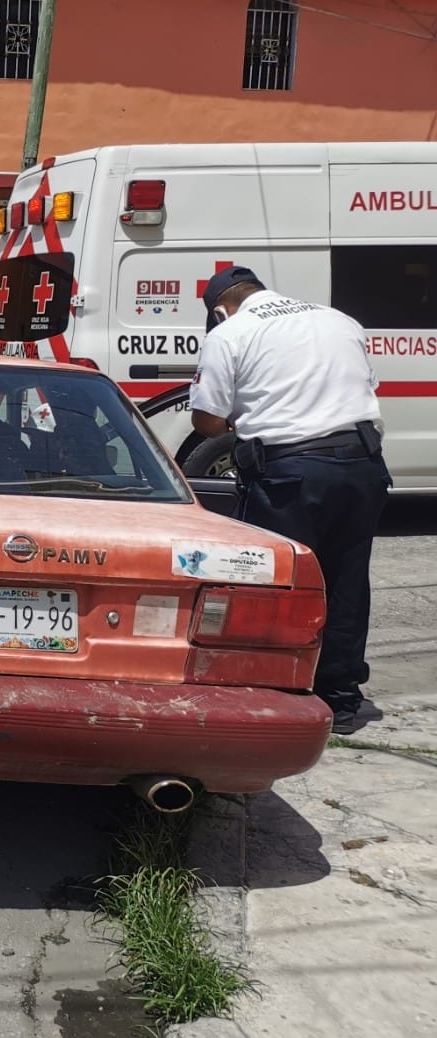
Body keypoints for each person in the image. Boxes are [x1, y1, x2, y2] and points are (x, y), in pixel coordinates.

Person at [190, 266, 390, 734]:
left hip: (292, 474)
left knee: (277, 583)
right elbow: (363, 388)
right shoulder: (339, 320)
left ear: (221, 309)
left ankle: (275, 688)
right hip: (362, 466)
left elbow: (207, 422)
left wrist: (247, 416)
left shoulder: (232, 333)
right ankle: (340, 699)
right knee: (346, 579)